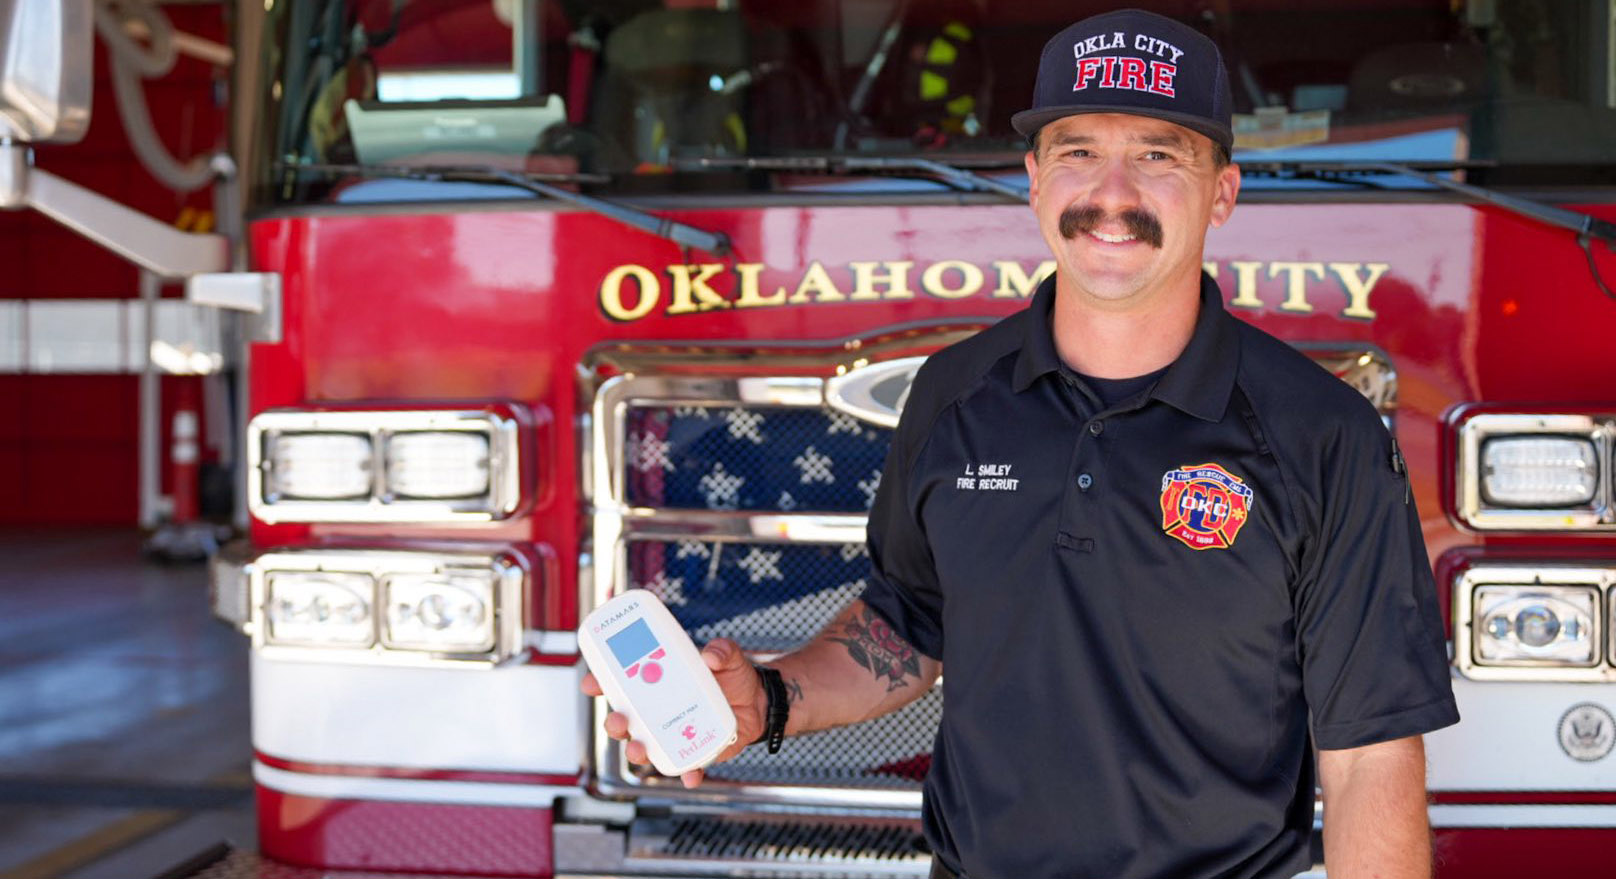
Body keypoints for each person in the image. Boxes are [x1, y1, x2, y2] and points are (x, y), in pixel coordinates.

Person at [583, 9, 1459, 879]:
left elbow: (1371, 756)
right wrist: (768, 698)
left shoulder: (1323, 435)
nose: (1112, 193)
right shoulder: (954, 393)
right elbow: (909, 625)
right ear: (1035, 179)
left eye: (1158, 154)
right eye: (1078, 151)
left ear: (1222, 192)